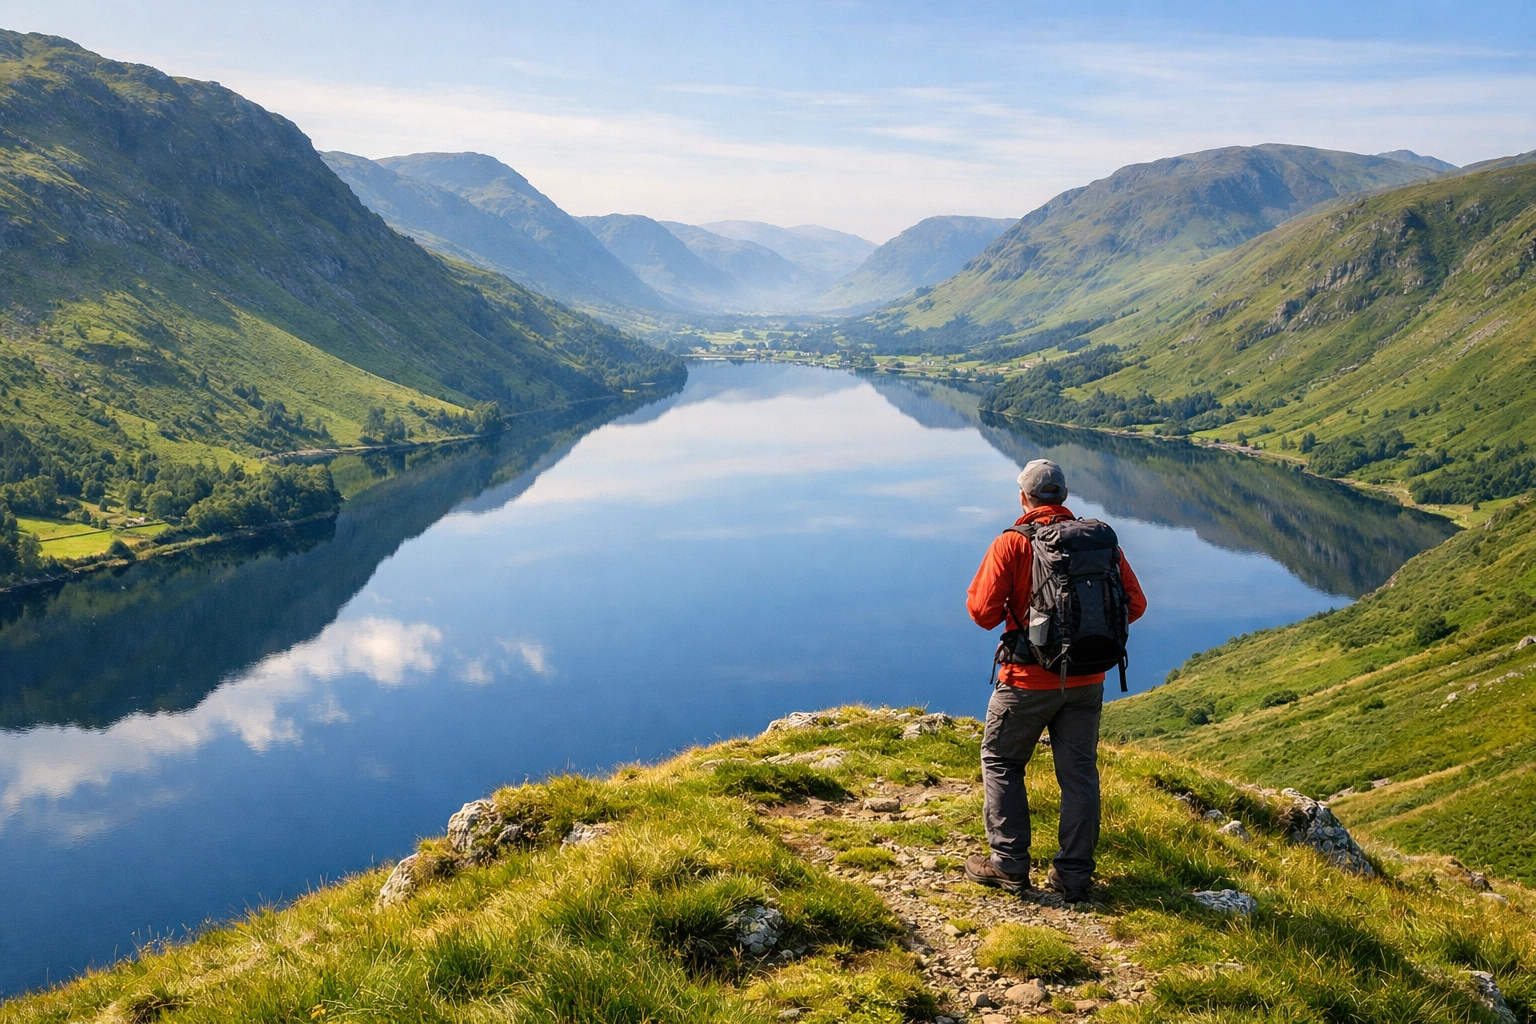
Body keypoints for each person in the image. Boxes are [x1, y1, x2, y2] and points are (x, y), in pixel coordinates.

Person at [962, 459, 1147, 901]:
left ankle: (1008, 865)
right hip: (1087, 680)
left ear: (1023, 497)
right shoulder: (1098, 542)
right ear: (1063, 496)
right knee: (1079, 773)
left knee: (1003, 761)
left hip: (1026, 680)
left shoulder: (1012, 543)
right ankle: (1075, 874)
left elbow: (982, 613)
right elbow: (1134, 605)